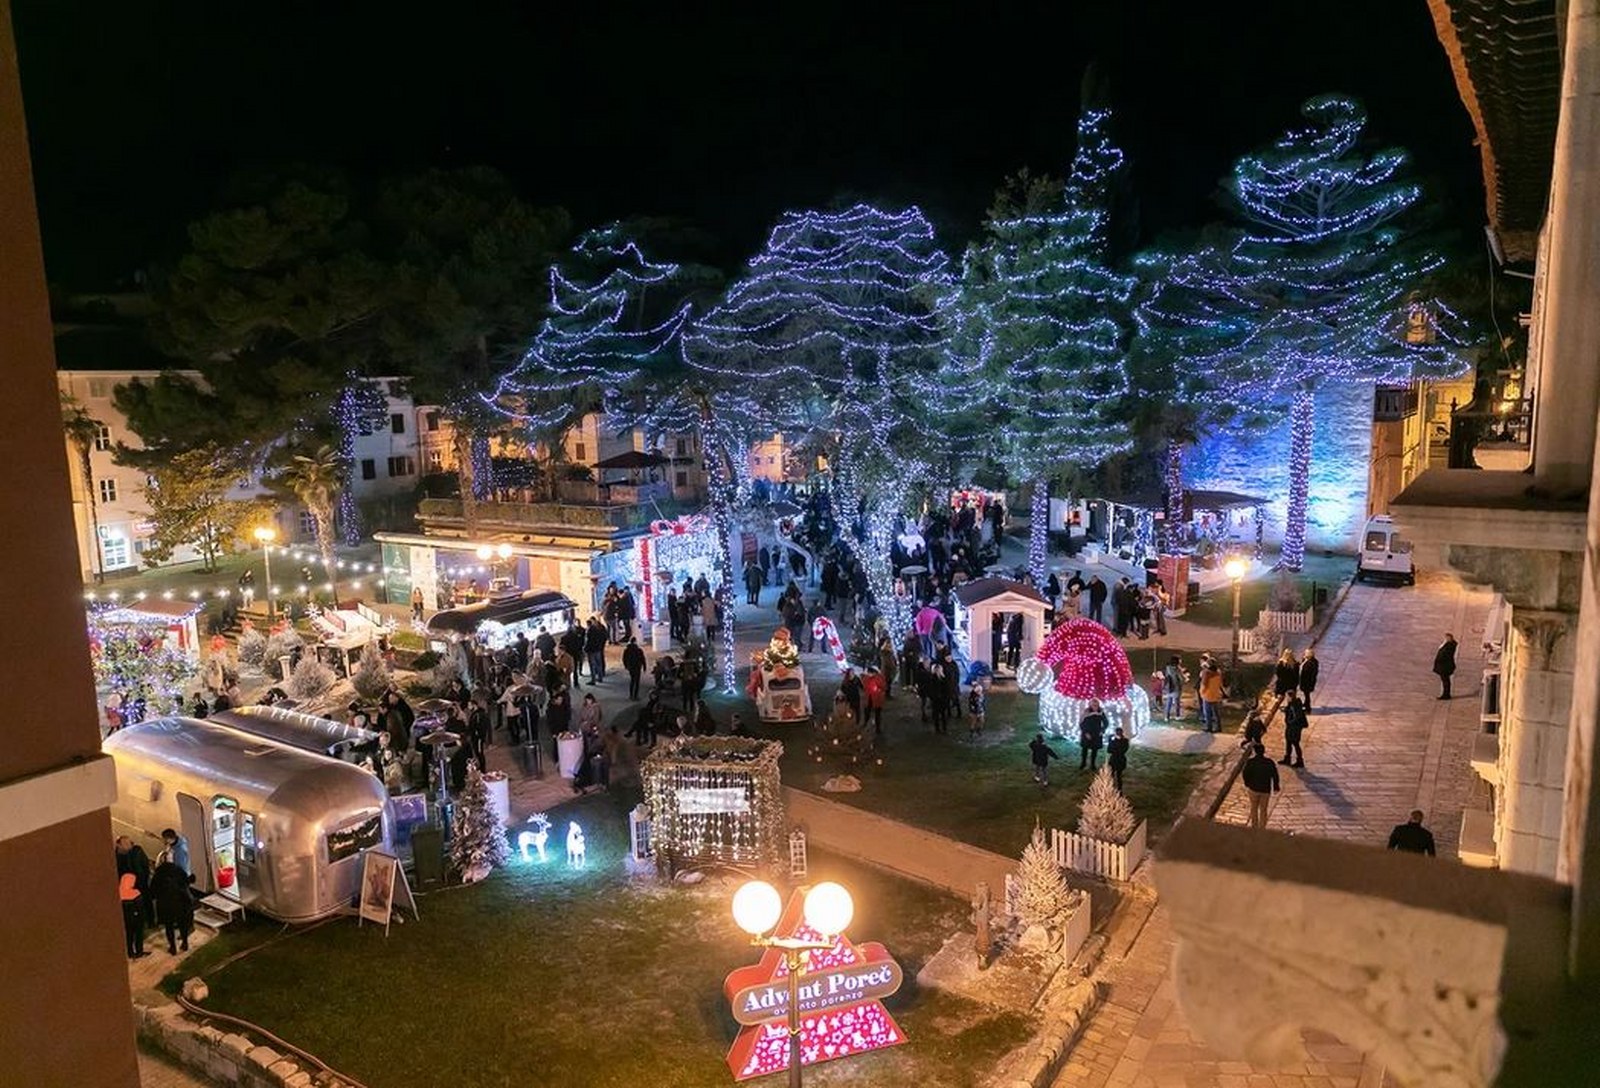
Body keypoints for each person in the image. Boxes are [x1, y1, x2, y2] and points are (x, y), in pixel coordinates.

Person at [150, 856, 194, 954]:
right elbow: (186, 883)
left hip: (166, 905)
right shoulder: (179, 870)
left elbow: (153, 891)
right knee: (183, 924)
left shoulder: (158, 874)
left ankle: (173, 947)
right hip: (180, 903)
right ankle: (185, 943)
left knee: (169, 927)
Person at [116, 836, 155, 927]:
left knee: (146, 901)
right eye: (125, 844)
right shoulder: (117, 855)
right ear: (118, 845)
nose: (128, 845)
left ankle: (150, 921)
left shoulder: (137, 851)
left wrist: (144, 878)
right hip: (126, 885)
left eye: (129, 843)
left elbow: (145, 865)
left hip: (140, 882)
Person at [1241, 743, 1280, 829]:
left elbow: (1245, 774)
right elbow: (1275, 775)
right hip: (1265, 790)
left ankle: (1254, 827)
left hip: (1253, 789)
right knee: (1263, 810)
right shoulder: (1269, 762)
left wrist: (1247, 783)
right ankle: (1262, 828)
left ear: (1255, 751)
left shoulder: (1251, 762)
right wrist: (1276, 787)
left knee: (1253, 808)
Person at [119, 873, 148, 959]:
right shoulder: (135, 893)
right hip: (137, 918)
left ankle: (130, 952)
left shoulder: (119, 893)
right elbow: (141, 907)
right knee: (138, 935)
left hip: (126, 919)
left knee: (129, 935)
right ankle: (139, 951)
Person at [1280, 691, 1308, 768]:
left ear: (1290, 697)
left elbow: (1297, 716)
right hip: (1291, 727)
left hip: (1295, 727)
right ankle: (1287, 758)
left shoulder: (1295, 705)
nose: (1287, 699)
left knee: (1295, 743)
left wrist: (1290, 722)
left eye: (1287, 697)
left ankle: (1300, 761)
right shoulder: (1292, 704)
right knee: (1288, 742)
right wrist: (1285, 710)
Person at [1198, 659, 1226, 733]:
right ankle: (1219, 727)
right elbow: (1220, 684)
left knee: (1207, 712)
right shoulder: (1218, 673)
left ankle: (1209, 727)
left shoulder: (1207, 673)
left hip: (1207, 695)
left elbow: (1204, 684)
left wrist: (1201, 692)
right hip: (1216, 694)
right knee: (1216, 713)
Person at [1078, 701, 1106, 770]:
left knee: (1094, 750)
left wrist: (1102, 731)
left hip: (1096, 734)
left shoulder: (1101, 712)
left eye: (1096, 705)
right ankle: (1083, 763)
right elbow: (1081, 723)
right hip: (1087, 733)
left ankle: (1092, 764)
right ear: (1090, 705)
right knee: (1085, 749)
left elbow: (1106, 722)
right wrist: (1086, 733)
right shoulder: (1086, 712)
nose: (1095, 707)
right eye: (1093, 705)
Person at [863, 666, 887, 736]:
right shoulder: (866, 678)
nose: (869, 674)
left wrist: (878, 689)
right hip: (869, 699)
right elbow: (864, 686)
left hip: (877, 699)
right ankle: (866, 724)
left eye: (870, 673)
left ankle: (878, 728)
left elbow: (884, 687)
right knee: (867, 712)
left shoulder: (879, 678)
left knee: (877, 714)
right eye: (868, 673)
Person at [1433, 633, 1458, 699]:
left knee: (1445, 680)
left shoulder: (1448, 647)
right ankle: (1446, 693)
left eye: (1446, 638)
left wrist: (1439, 660)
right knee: (1446, 680)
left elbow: (1443, 655)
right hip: (1445, 666)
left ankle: (1446, 694)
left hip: (1445, 666)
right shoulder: (1450, 645)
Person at [584, 616, 608, 685]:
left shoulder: (590, 631)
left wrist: (585, 649)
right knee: (599, 663)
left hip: (592, 650)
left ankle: (593, 680)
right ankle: (600, 677)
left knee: (592, 665)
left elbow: (588, 641)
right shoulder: (598, 630)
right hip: (598, 649)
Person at [1161, 655, 1185, 722]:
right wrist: (1185, 678)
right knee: (1177, 702)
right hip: (1176, 687)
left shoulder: (1168, 668)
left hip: (1169, 687)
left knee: (1169, 702)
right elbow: (1181, 678)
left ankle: (1166, 716)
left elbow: (1166, 676)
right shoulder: (1177, 669)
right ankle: (1177, 716)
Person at [1107, 727, 1130, 791]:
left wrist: (1112, 743)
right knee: (1115, 775)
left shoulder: (1124, 741)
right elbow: (1109, 750)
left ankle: (1118, 789)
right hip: (1117, 759)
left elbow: (1121, 750)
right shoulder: (1123, 741)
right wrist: (1110, 741)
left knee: (1118, 775)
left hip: (1118, 759)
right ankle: (1114, 788)